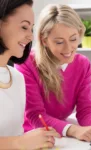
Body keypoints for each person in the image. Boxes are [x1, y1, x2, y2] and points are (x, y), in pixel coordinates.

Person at [15, 4, 91, 143]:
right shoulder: (26, 63)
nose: (68, 48)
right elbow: (35, 116)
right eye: (59, 42)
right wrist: (74, 130)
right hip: (34, 136)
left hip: (63, 134)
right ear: (44, 41)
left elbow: (85, 110)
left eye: (73, 39)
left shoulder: (83, 64)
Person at [0, 0, 61, 150]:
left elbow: (14, 134)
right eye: (24, 27)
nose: (30, 37)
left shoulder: (17, 78)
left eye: (31, 29)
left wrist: (35, 139)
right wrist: (20, 142)